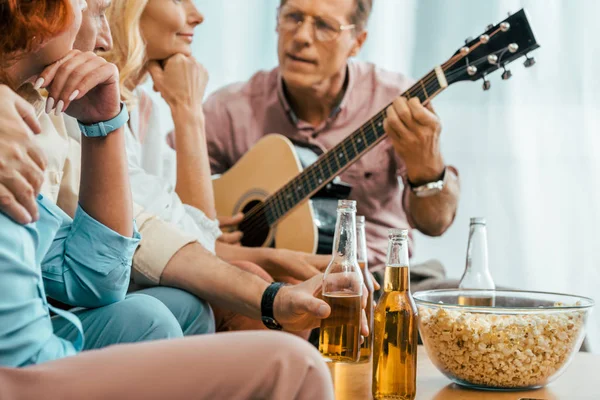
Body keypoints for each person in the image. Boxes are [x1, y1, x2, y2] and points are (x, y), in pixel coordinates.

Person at [101, 0, 354, 332]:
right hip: (124, 289)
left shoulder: (144, 107)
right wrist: (188, 110)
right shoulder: (92, 110)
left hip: (163, 270)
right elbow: (193, 237)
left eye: (324, 25)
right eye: (179, 0)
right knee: (259, 280)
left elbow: (180, 230)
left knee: (277, 276)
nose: (198, 15)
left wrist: (276, 259)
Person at [204, 0, 461, 288]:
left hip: (378, 281)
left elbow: (435, 223)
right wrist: (204, 228)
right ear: (276, 22)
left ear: (357, 42)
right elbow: (161, 191)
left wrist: (427, 169)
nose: (301, 36)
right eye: (293, 17)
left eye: (325, 26)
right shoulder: (230, 108)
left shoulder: (396, 101)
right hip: (265, 287)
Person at [0, 0, 190, 367]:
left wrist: (103, 124)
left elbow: (93, 279)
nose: (105, 36)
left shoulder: (26, 105)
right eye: (88, 6)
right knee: (288, 360)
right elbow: (27, 363)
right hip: (23, 368)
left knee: (156, 316)